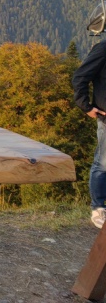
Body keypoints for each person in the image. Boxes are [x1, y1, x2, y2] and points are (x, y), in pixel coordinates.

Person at [73, 41, 106, 228]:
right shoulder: (104, 48)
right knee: (103, 163)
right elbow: (80, 77)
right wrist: (86, 106)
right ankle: (98, 208)